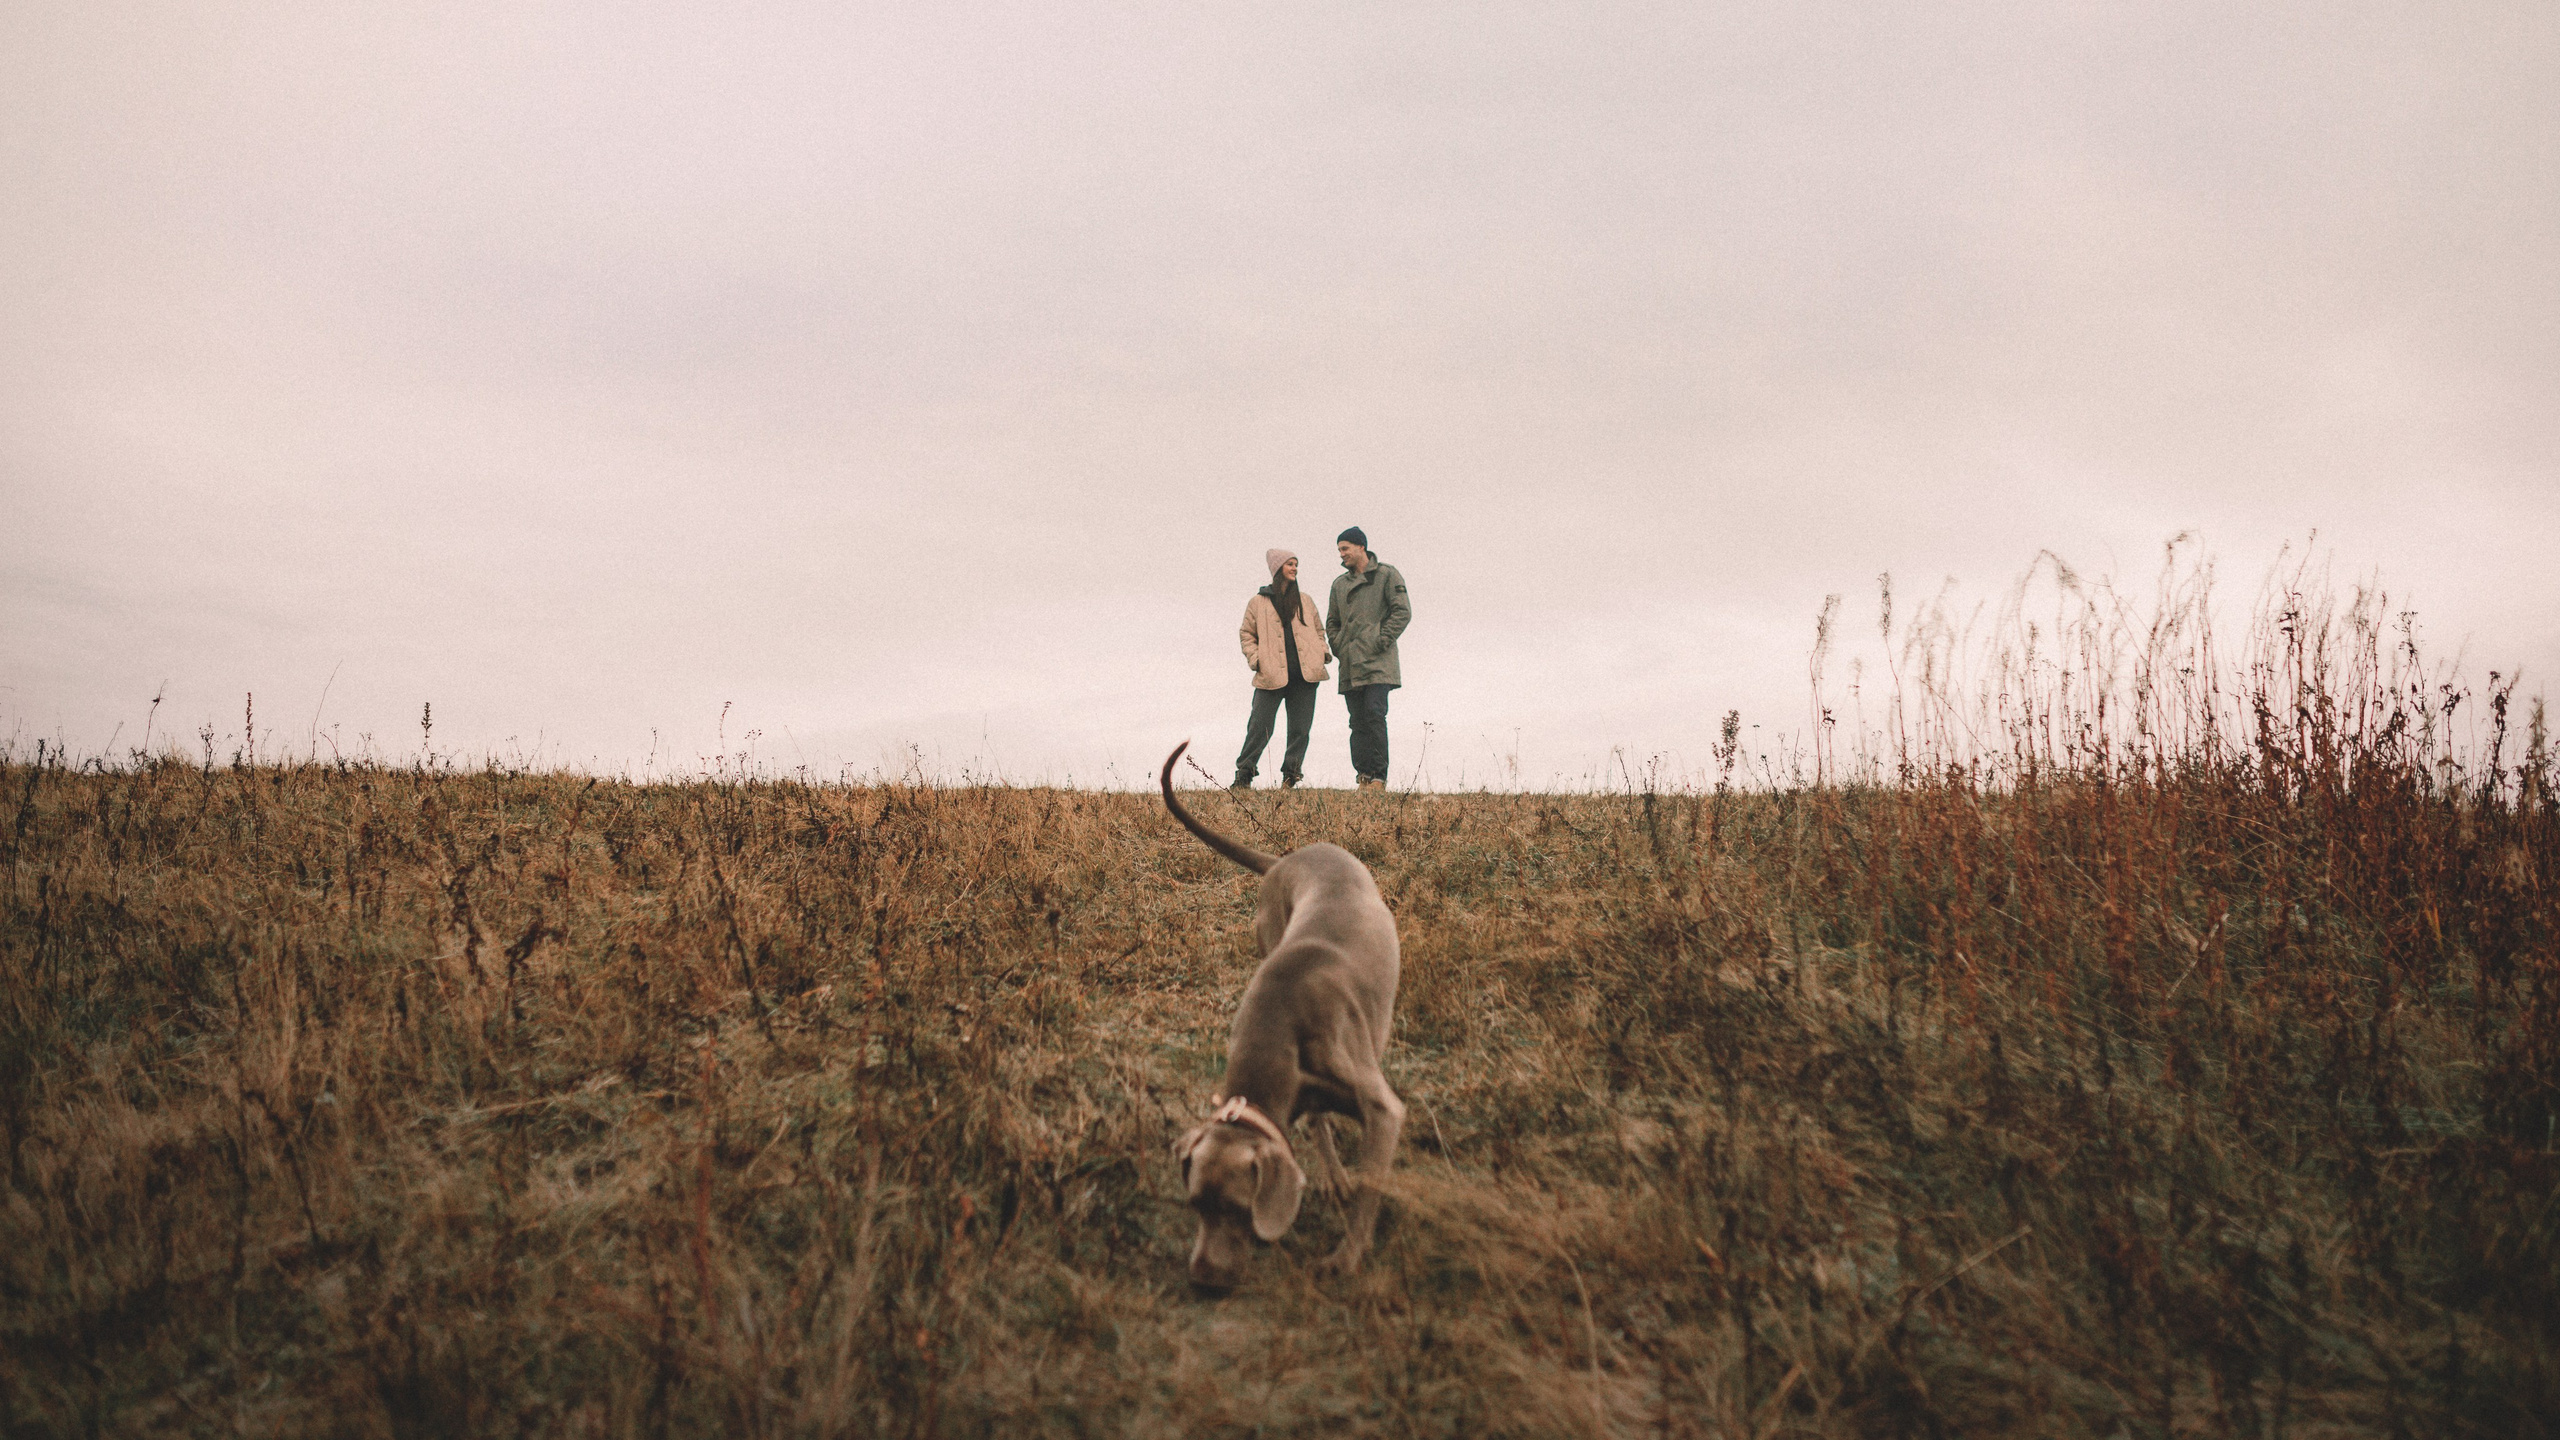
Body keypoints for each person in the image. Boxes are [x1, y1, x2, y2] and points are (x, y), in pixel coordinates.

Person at [1233, 548, 1328, 789]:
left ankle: (1291, 777)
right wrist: (1256, 660)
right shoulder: (1257, 602)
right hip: (1270, 674)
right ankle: (1244, 774)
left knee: (1300, 730)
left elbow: (1319, 630)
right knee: (1259, 726)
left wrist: (1322, 653)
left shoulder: (1305, 600)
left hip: (1305, 676)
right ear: (1277, 568)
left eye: (1296, 564)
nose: (1295, 568)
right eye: (1290, 564)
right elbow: (1246, 634)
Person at [1325, 526, 1411, 790]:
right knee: (1357, 721)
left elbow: (1402, 611)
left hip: (1378, 663)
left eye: (1345, 548)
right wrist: (1339, 646)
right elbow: (1332, 622)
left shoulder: (1386, 574)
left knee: (1374, 715)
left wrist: (1380, 640)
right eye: (1339, 550)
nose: (1341, 554)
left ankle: (1378, 777)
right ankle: (1363, 776)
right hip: (1350, 663)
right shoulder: (1339, 584)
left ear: (1361, 546)